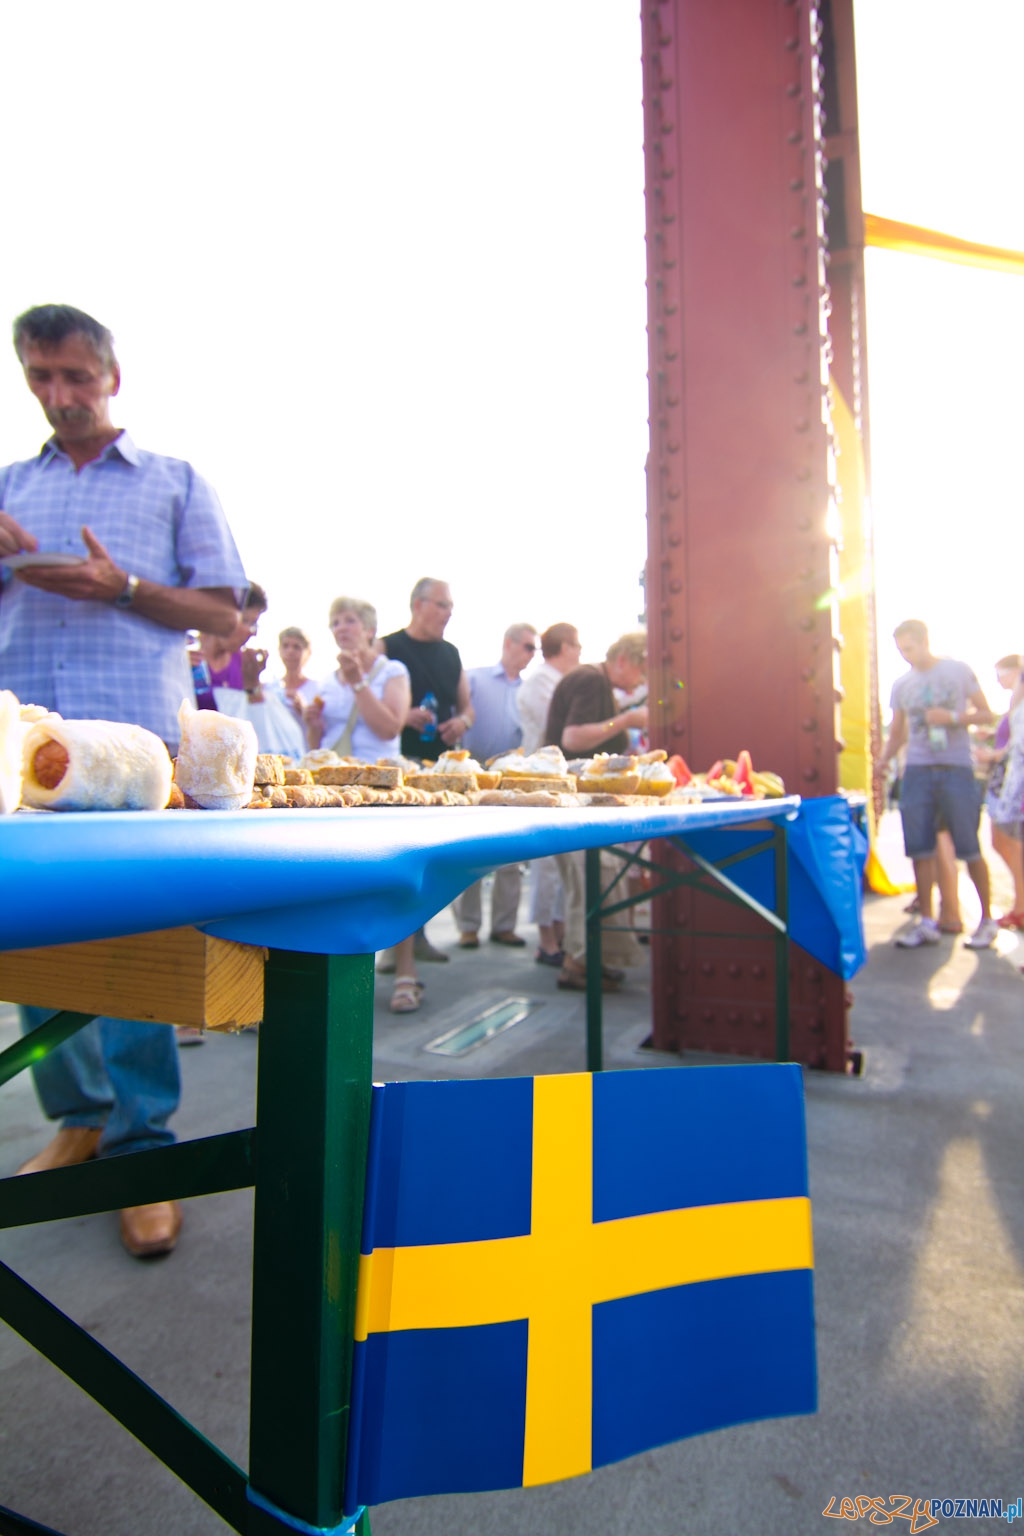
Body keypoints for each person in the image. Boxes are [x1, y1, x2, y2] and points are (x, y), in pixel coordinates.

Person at [0, 303, 247, 1257]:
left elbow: (221, 614)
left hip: (135, 751)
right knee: (30, 935)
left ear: (112, 377)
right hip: (27, 745)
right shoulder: (12, 486)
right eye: (39, 379)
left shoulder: (176, 482)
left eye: (74, 377)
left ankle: (143, 1146)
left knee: (134, 940)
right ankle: (79, 1119)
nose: (58, 397)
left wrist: (127, 589)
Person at [302, 596, 424, 1011]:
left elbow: (391, 724)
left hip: (382, 784)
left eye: (349, 620)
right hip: (337, 789)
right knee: (336, 879)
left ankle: (405, 971)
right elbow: (317, 746)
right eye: (335, 621)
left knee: (395, 877)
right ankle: (338, 974)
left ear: (370, 628)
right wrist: (311, 727)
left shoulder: (392, 671)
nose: (341, 627)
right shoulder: (327, 680)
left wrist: (358, 683)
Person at [878, 620, 997, 949]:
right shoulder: (901, 684)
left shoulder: (958, 671)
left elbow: (987, 714)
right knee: (920, 849)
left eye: (910, 648)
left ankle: (987, 921)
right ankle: (927, 922)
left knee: (969, 846)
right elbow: (898, 730)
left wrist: (954, 718)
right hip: (916, 770)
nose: (906, 656)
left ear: (925, 641)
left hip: (956, 768)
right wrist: (884, 759)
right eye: (901, 651)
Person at [545, 632, 650, 991]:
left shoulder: (593, 681)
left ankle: (590, 958)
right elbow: (572, 738)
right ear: (624, 660)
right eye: (642, 671)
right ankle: (577, 964)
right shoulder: (591, 680)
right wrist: (626, 720)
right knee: (589, 878)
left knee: (591, 879)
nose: (642, 681)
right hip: (577, 800)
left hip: (579, 799)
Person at [379, 577, 474, 965]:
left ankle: (416, 938)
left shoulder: (452, 654)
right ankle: (393, 946)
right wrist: (404, 716)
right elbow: (373, 703)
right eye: (442, 604)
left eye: (450, 606)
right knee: (399, 858)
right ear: (417, 605)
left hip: (442, 767)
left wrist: (462, 724)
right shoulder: (388, 646)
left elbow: (467, 709)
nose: (448, 613)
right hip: (399, 767)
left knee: (431, 858)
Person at [453, 623, 540, 949]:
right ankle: (468, 927)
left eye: (536, 650)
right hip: (473, 774)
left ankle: (504, 925)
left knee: (511, 855)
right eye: (530, 647)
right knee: (468, 853)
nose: (533, 655)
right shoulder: (473, 679)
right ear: (509, 644)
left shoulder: (528, 690)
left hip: (513, 778)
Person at [517, 622, 582, 963]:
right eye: (577, 644)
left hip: (559, 777)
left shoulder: (553, 681)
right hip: (542, 778)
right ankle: (547, 939)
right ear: (565, 646)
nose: (580, 651)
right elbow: (555, 728)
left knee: (563, 861)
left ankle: (558, 931)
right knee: (548, 863)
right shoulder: (541, 682)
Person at [978, 653, 1024, 928]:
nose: (997, 681)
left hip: (1014, 779)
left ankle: (1020, 905)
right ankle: (1020, 903)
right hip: (1007, 779)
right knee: (1003, 839)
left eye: (1000, 674)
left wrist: (994, 756)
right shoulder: (1014, 699)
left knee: (1010, 839)